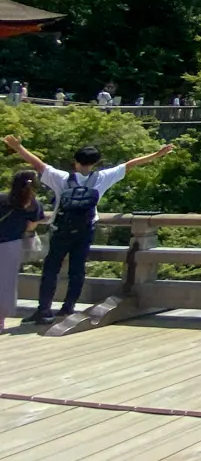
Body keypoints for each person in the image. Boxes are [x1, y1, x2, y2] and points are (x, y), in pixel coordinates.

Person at [2, 135, 173, 324]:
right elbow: (129, 165)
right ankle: (67, 309)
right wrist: (157, 154)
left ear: (75, 162)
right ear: (96, 163)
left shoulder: (62, 178)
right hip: (85, 230)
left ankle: (43, 310)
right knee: (77, 269)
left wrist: (18, 147)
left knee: (51, 269)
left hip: (60, 230)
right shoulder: (102, 178)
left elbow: (38, 164)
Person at [0, 169, 45, 330]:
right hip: (11, 245)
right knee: (6, 284)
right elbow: (32, 225)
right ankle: (0, 320)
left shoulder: (3, 198)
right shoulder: (33, 204)